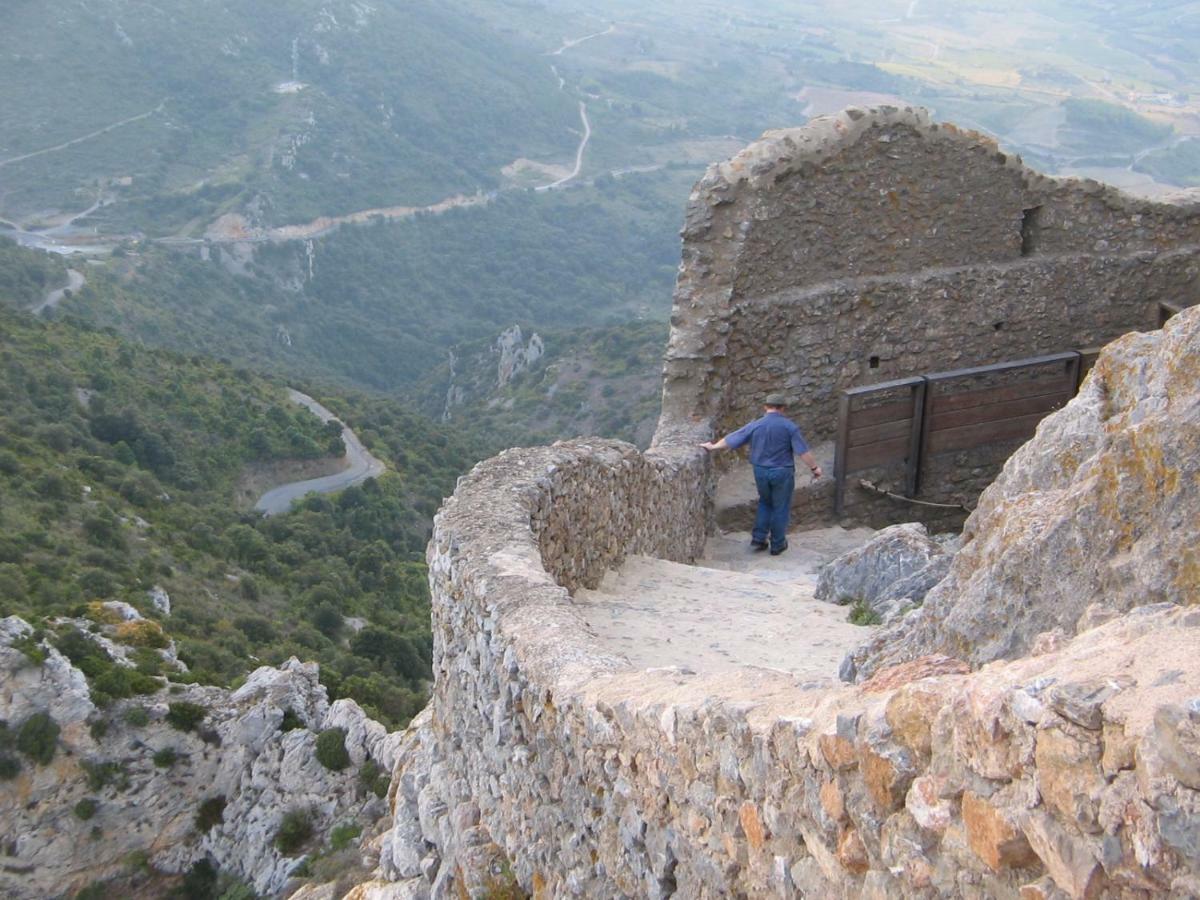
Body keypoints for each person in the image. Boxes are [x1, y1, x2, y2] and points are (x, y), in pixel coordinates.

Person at [699, 392, 822, 556]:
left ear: (765, 407)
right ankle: (777, 544)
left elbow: (732, 439)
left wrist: (713, 447)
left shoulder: (755, 425)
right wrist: (814, 468)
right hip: (782, 472)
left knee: (765, 502)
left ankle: (758, 538)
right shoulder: (789, 427)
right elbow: (803, 452)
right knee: (780, 507)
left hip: (760, 471)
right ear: (783, 408)